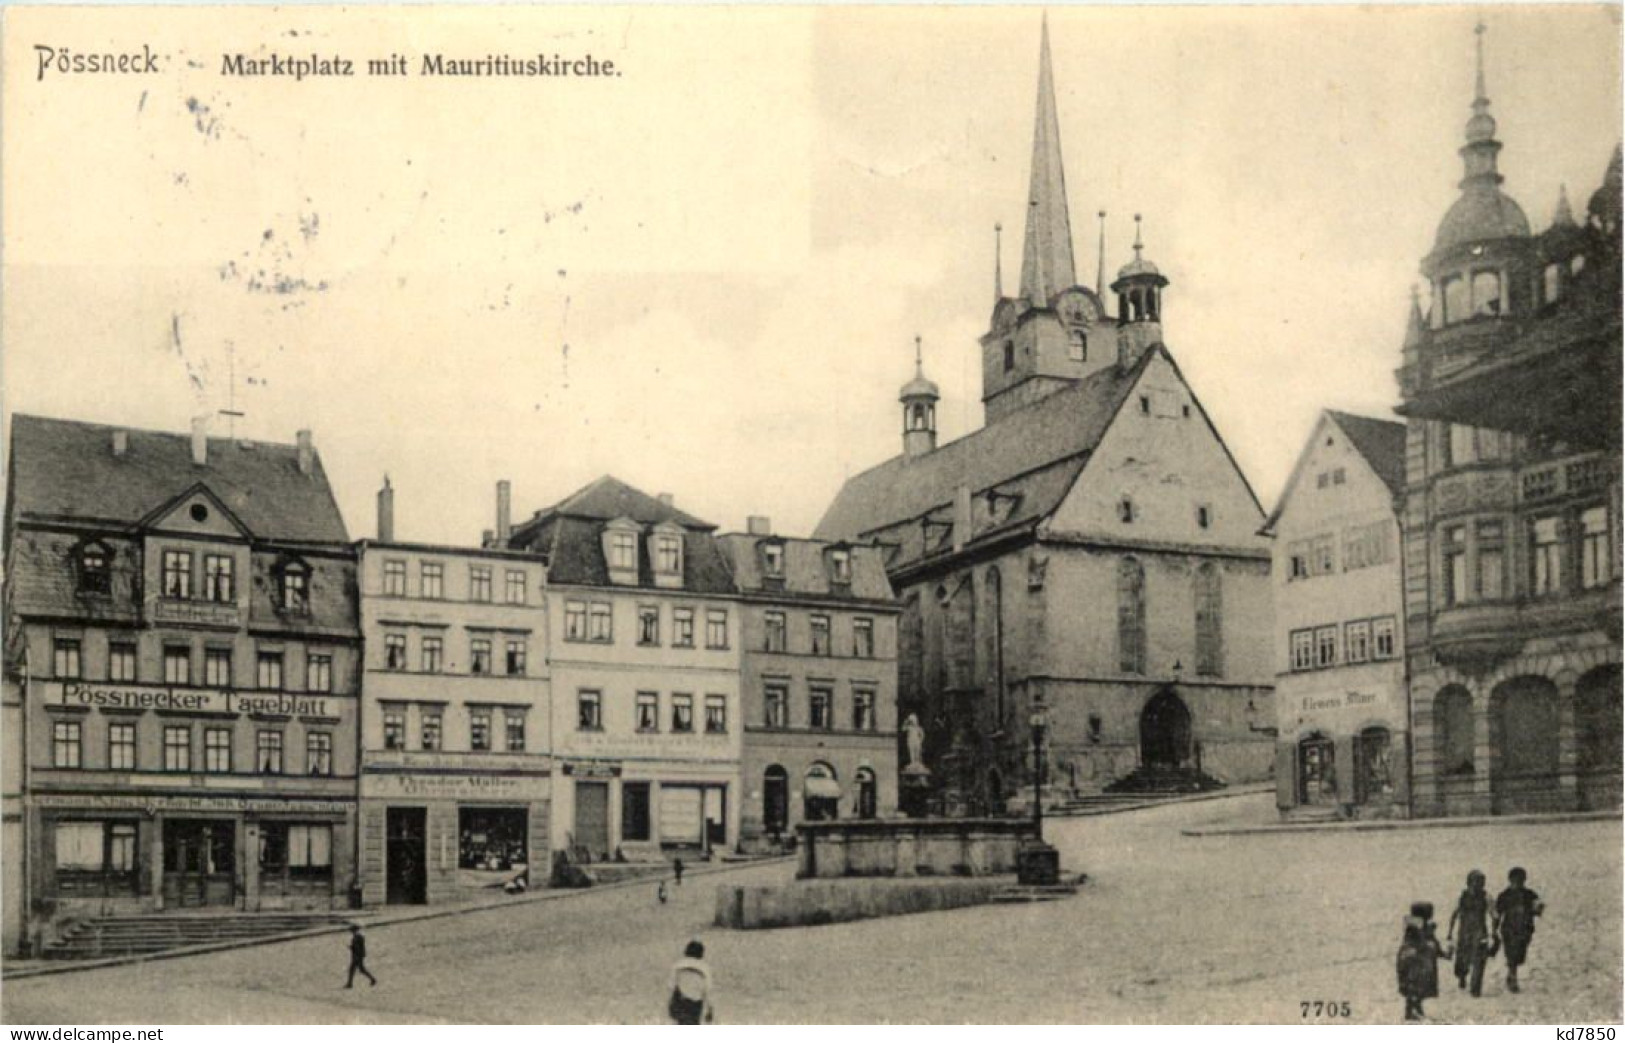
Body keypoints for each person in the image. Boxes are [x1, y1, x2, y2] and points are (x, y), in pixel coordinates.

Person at [1494, 866, 1544, 993]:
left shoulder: (1529, 894)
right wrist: (1494, 930)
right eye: (1516, 880)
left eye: (1521, 880)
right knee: (1511, 954)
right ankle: (1512, 977)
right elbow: (1497, 913)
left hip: (1525, 929)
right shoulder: (1504, 895)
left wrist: (1538, 908)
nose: (1518, 882)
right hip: (1509, 929)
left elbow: (1537, 909)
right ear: (1510, 880)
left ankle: (1512, 974)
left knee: (1520, 954)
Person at [1448, 870, 1492, 996]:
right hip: (1464, 932)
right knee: (1462, 958)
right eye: (1476, 882)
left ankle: (1475, 988)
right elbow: (1454, 914)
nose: (1479, 885)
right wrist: (1450, 932)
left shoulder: (1486, 897)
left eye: (1481, 882)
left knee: (1479, 958)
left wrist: (1494, 933)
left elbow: (1493, 914)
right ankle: (1462, 976)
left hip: (1479, 932)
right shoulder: (1462, 897)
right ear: (1469, 883)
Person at [668, 939, 714, 1025]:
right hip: (696, 1003)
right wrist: (710, 1008)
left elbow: (671, 985)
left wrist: (670, 1002)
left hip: (680, 1001)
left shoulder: (678, 965)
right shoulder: (704, 968)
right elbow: (708, 990)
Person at [345, 924, 377, 988]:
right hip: (359, 955)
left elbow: (358, 947)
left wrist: (352, 948)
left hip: (357, 955)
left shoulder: (357, 937)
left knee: (354, 969)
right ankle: (372, 979)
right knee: (360, 969)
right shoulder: (359, 936)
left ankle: (350, 984)